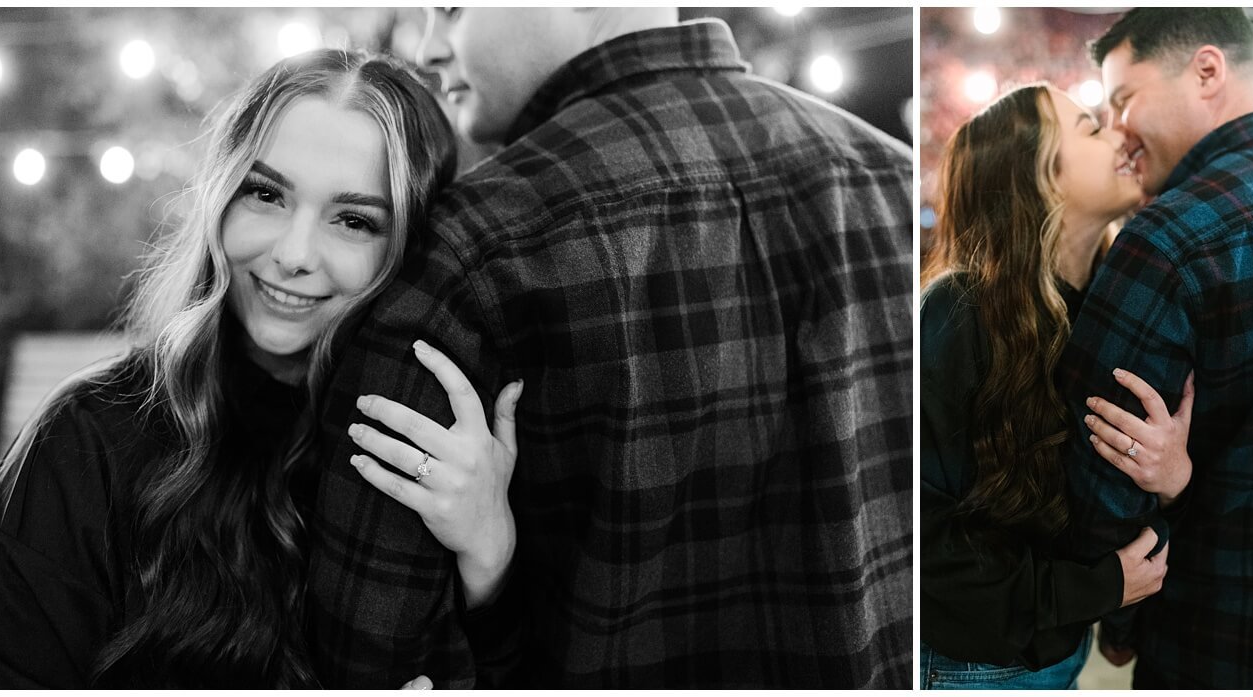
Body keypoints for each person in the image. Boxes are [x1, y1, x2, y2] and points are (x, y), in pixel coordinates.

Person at [304, 7, 914, 688]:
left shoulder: (472, 246)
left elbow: (378, 656)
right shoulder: (889, 175)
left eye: (450, 7)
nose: (427, 47)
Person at [0, 49, 513, 688]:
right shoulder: (85, 441)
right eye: (266, 193)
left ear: (413, 250)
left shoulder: (430, 452)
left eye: (354, 220)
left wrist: (490, 558)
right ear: (221, 196)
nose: (294, 253)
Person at [1058, 8, 1253, 688]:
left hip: (1215, 639)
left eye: (1124, 99)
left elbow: (1101, 467)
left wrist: (1119, 619)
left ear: (1207, 70)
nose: (1119, 129)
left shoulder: (1168, 236)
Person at [919, 83, 1176, 689]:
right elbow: (923, 544)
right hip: (975, 666)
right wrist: (1095, 589)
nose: (1122, 133)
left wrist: (1171, 475)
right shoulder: (957, 313)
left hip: (1063, 653)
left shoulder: (1116, 303)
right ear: (1036, 177)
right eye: (1091, 127)